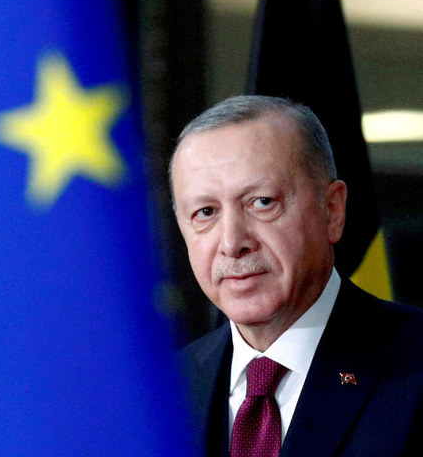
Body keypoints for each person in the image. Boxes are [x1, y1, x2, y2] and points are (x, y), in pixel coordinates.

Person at [170, 95, 423, 456]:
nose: (231, 242)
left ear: (332, 210)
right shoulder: (162, 391)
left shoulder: (414, 365)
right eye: (205, 211)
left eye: (262, 202)